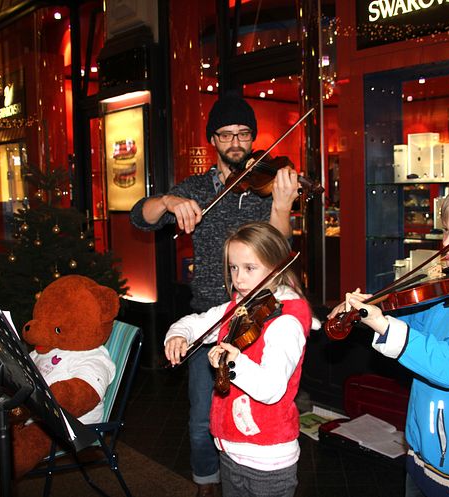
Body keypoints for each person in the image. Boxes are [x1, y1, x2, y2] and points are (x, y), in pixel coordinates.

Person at [130, 94, 299, 497]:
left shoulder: (265, 185)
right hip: (208, 317)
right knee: (201, 417)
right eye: (227, 135)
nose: (236, 143)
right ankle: (207, 483)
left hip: (259, 314)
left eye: (244, 134)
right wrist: (170, 200)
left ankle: (251, 478)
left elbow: (280, 249)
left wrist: (281, 205)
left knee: (255, 407)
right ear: (213, 140)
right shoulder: (196, 188)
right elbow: (141, 215)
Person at [331, 176, 449, 497]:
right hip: (420, 452)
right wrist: (364, 311)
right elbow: (409, 323)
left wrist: (385, 325)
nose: (445, 243)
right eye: (445, 230)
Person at [165, 222, 314, 497]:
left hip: (268, 461)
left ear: (276, 267)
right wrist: (177, 335)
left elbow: (271, 389)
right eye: (233, 268)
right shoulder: (238, 307)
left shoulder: (286, 323)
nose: (239, 279)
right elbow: (196, 322)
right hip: (230, 450)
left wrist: (235, 363)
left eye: (249, 268)